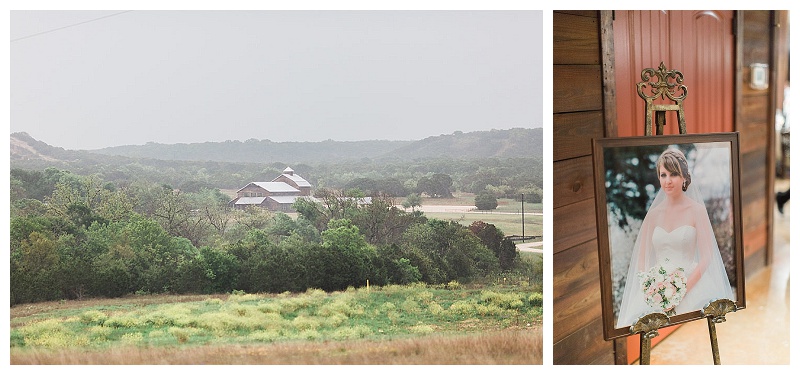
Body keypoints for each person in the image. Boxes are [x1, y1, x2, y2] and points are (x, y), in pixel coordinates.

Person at [616, 148, 734, 329]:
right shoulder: (654, 215)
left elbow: (707, 256)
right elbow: (641, 258)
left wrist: (680, 292)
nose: (668, 181)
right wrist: (650, 286)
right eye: (663, 175)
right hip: (657, 287)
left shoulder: (696, 210)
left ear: (684, 178)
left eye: (674, 174)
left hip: (691, 284)